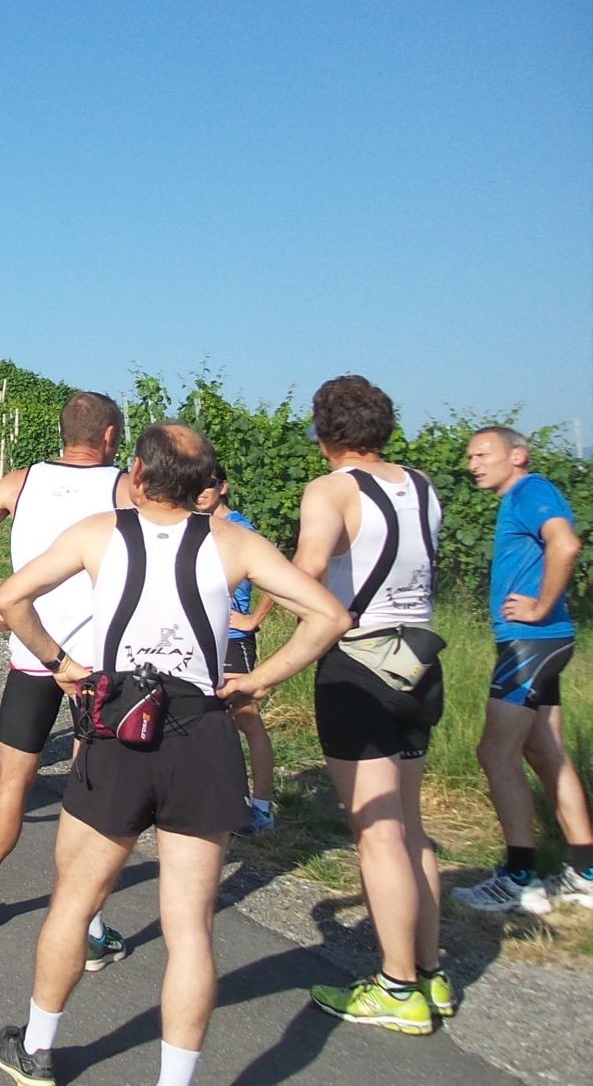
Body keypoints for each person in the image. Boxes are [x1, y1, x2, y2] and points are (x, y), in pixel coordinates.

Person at [0, 422, 349, 1086]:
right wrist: (260, 678)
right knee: (189, 929)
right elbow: (330, 615)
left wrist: (62, 663)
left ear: (137, 473)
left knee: (75, 901)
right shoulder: (235, 542)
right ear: (204, 483)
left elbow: (11, 597)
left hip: (119, 726)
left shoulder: (98, 533)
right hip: (203, 731)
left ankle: (37, 1049)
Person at [0, 391, 133, 968]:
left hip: (32, 655)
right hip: (97, 668)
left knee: (11, 784)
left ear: (63, 432)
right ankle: (88, 926)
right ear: (110, 436)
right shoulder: (125, 490)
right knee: (92, 795)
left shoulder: (22, 482)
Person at [288, 375, 451, 1033]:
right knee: (409, 826)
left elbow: (305, 574)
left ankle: (396, 986)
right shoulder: (423, 485)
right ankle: (431, 973)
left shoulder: (331, 490)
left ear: (325, 433)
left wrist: (259, 618)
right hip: (420, 660)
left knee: (376, 833)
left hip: (359, 664)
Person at [451, 425, 593, 913]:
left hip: (530, 644)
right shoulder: (520, 496)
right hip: (542, 642)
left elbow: (565, 544)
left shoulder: (532, 490)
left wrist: (539, 607)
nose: (473, 464)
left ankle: (518, 878)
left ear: (518, 455)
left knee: (495, 752)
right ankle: (585, 872)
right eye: (470, 456)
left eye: (482, 454)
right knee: (545, 750)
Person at [196, 465, 277, 836]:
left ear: (223, 487)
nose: (201, 491)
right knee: (206, 719)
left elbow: (279, 575)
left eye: (209, 484)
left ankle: (261, 808)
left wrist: (254, 618)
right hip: (201, 637)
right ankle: (218, 801)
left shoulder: (240, 528)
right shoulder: (195, 525)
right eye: (195, 484)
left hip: (233, 637)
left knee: (245, 718)